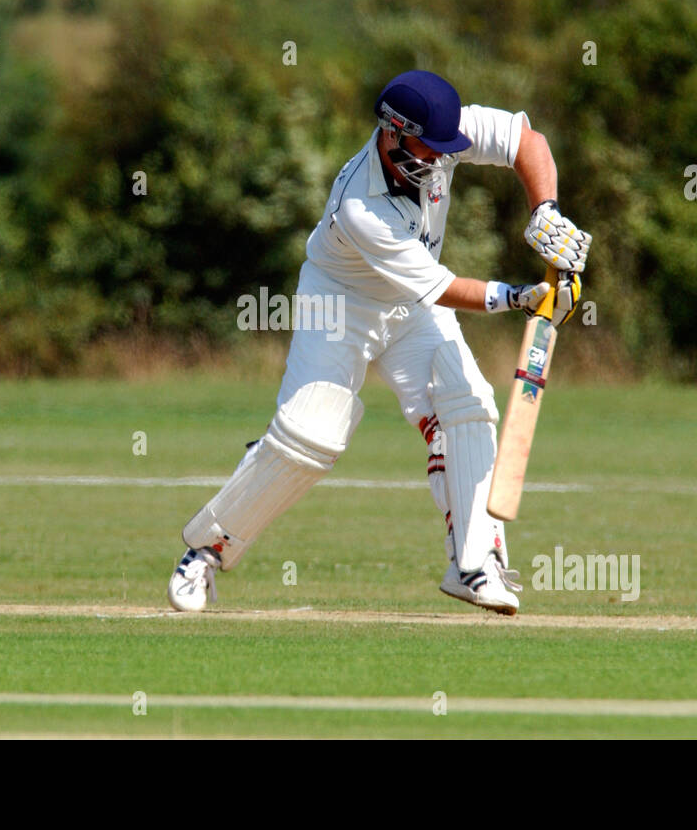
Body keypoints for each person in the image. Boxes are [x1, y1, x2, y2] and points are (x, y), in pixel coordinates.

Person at [167, 70, 590, 615]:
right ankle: (205, 549)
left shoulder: (443, 129)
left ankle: (475, 564)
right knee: (311, 438)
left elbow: (528, 142)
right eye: (429, 148)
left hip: (411, 305)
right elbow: (443, 288)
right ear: (393, 132)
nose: (442, 159)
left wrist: (545, 211)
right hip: (341, 304)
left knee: (467, 408)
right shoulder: (360, 205)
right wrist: (521, 298)